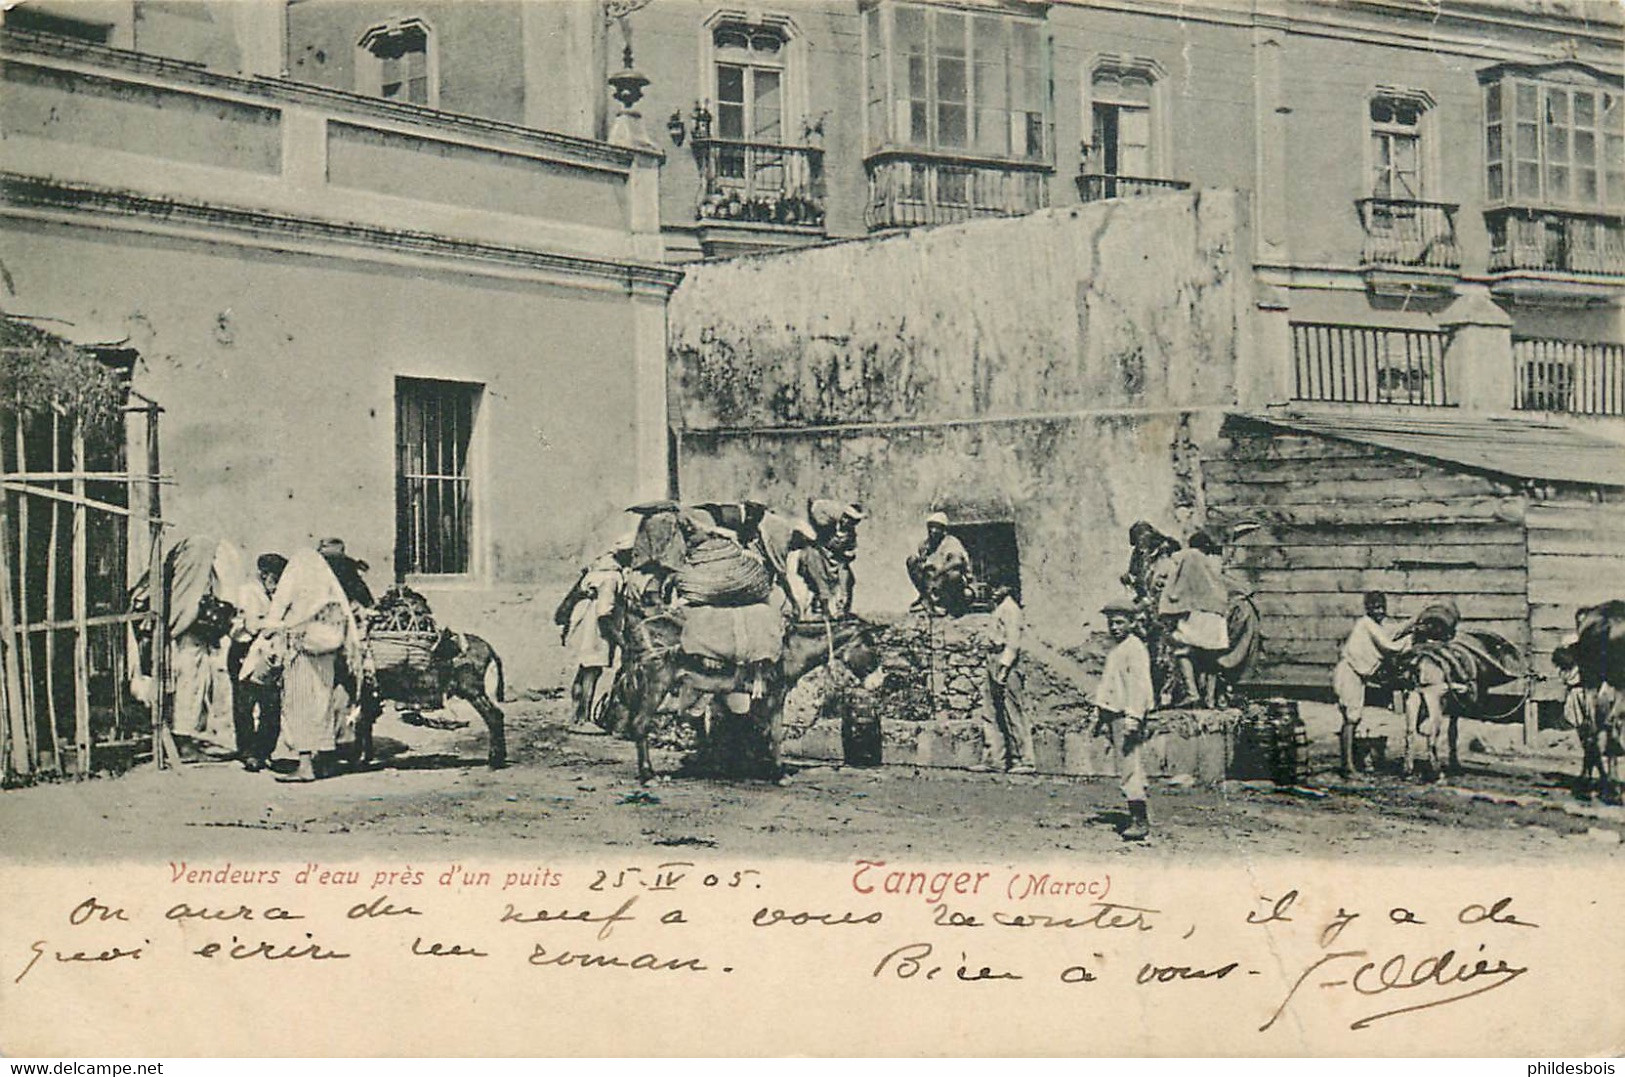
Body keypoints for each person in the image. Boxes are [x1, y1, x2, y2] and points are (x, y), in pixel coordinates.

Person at [266, 549, 361, 783]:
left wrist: (272, 628)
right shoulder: (328, 590)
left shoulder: (295, 576)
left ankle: (305, 765)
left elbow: (277, 610)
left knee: (298, 705)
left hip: (302, 649)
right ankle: (325, 760)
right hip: (326, 649)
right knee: (322, 702)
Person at [1333, 591, 1414, 778]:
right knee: (1351, 719)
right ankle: (1348, 766)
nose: (1379, 612)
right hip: (1349, 672)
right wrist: (1411, 640)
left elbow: (1393, 630)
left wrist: (1412, 623)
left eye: (1382, 608)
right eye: (1375, 608)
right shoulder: (1366, 624)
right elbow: (1389, 646)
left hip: (1357, 674)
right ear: (1368, 609)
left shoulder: (1376, 625)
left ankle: (1350, 763)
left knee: (1354, 718)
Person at [1095, 596, 1155, 841]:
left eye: (1120, 623)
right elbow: (1110, 685)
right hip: (1115, 715)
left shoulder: (1135, 649)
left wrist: (1133, 717)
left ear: (1132, 622)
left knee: (1129, 767)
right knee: (1127, 766)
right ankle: (1138, 812)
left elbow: (1139, 687)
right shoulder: (1118, 649)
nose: (1114, 628)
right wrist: (1100, 714)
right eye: (1111, 623)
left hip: (1126, 716)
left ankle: (1139, 819)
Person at [561, 537, 632, 732]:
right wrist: (620, 640)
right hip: (595, 625)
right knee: (592, 670)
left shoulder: (596, 570)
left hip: (581, 618)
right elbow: (604, 613)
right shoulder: (611, 577)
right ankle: (583, 719)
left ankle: (574, 717)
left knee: (582, 670)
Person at [1157, 530, 1232, 706]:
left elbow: (1170, 571)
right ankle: (1210, 698)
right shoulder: (1214, 561)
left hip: (1197, 611)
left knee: (1182, 649)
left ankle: (1192, 693)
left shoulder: (1189, 556)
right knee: (1212, 654)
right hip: (1217, 613)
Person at [227, 552, 287, 771]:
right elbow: (251, 624)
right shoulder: (248, 591)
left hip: (267, 651)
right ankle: (248, 751)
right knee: (245, 704)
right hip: (245, 649)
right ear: (265, 574)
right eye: (276, 577)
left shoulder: (273, 592)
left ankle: (264, 750)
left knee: (271, 703)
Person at [979, 584, 1034, 774]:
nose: (994, 589)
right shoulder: (999, 608)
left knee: (1012, 711)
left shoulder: (1011, 609)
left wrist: (1004, 667)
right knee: (991, 709)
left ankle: (1023, 760)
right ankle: (994, 758)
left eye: (999, 586)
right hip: (993, 658)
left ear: (1008, 587)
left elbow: (1013, 642)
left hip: (1006, 661)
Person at [906, 512, 970, 616]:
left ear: (943, 530)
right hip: (932, 583)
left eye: (937, 528)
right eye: (931, 527)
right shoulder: (925, 545)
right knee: (912, 560)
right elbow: (922, 564)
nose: (933, 531)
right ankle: (928, 600)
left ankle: (948, 605)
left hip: (949, 583)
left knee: (954, 574)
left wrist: (937, 576)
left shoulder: (951, 542)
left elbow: (957, 561)